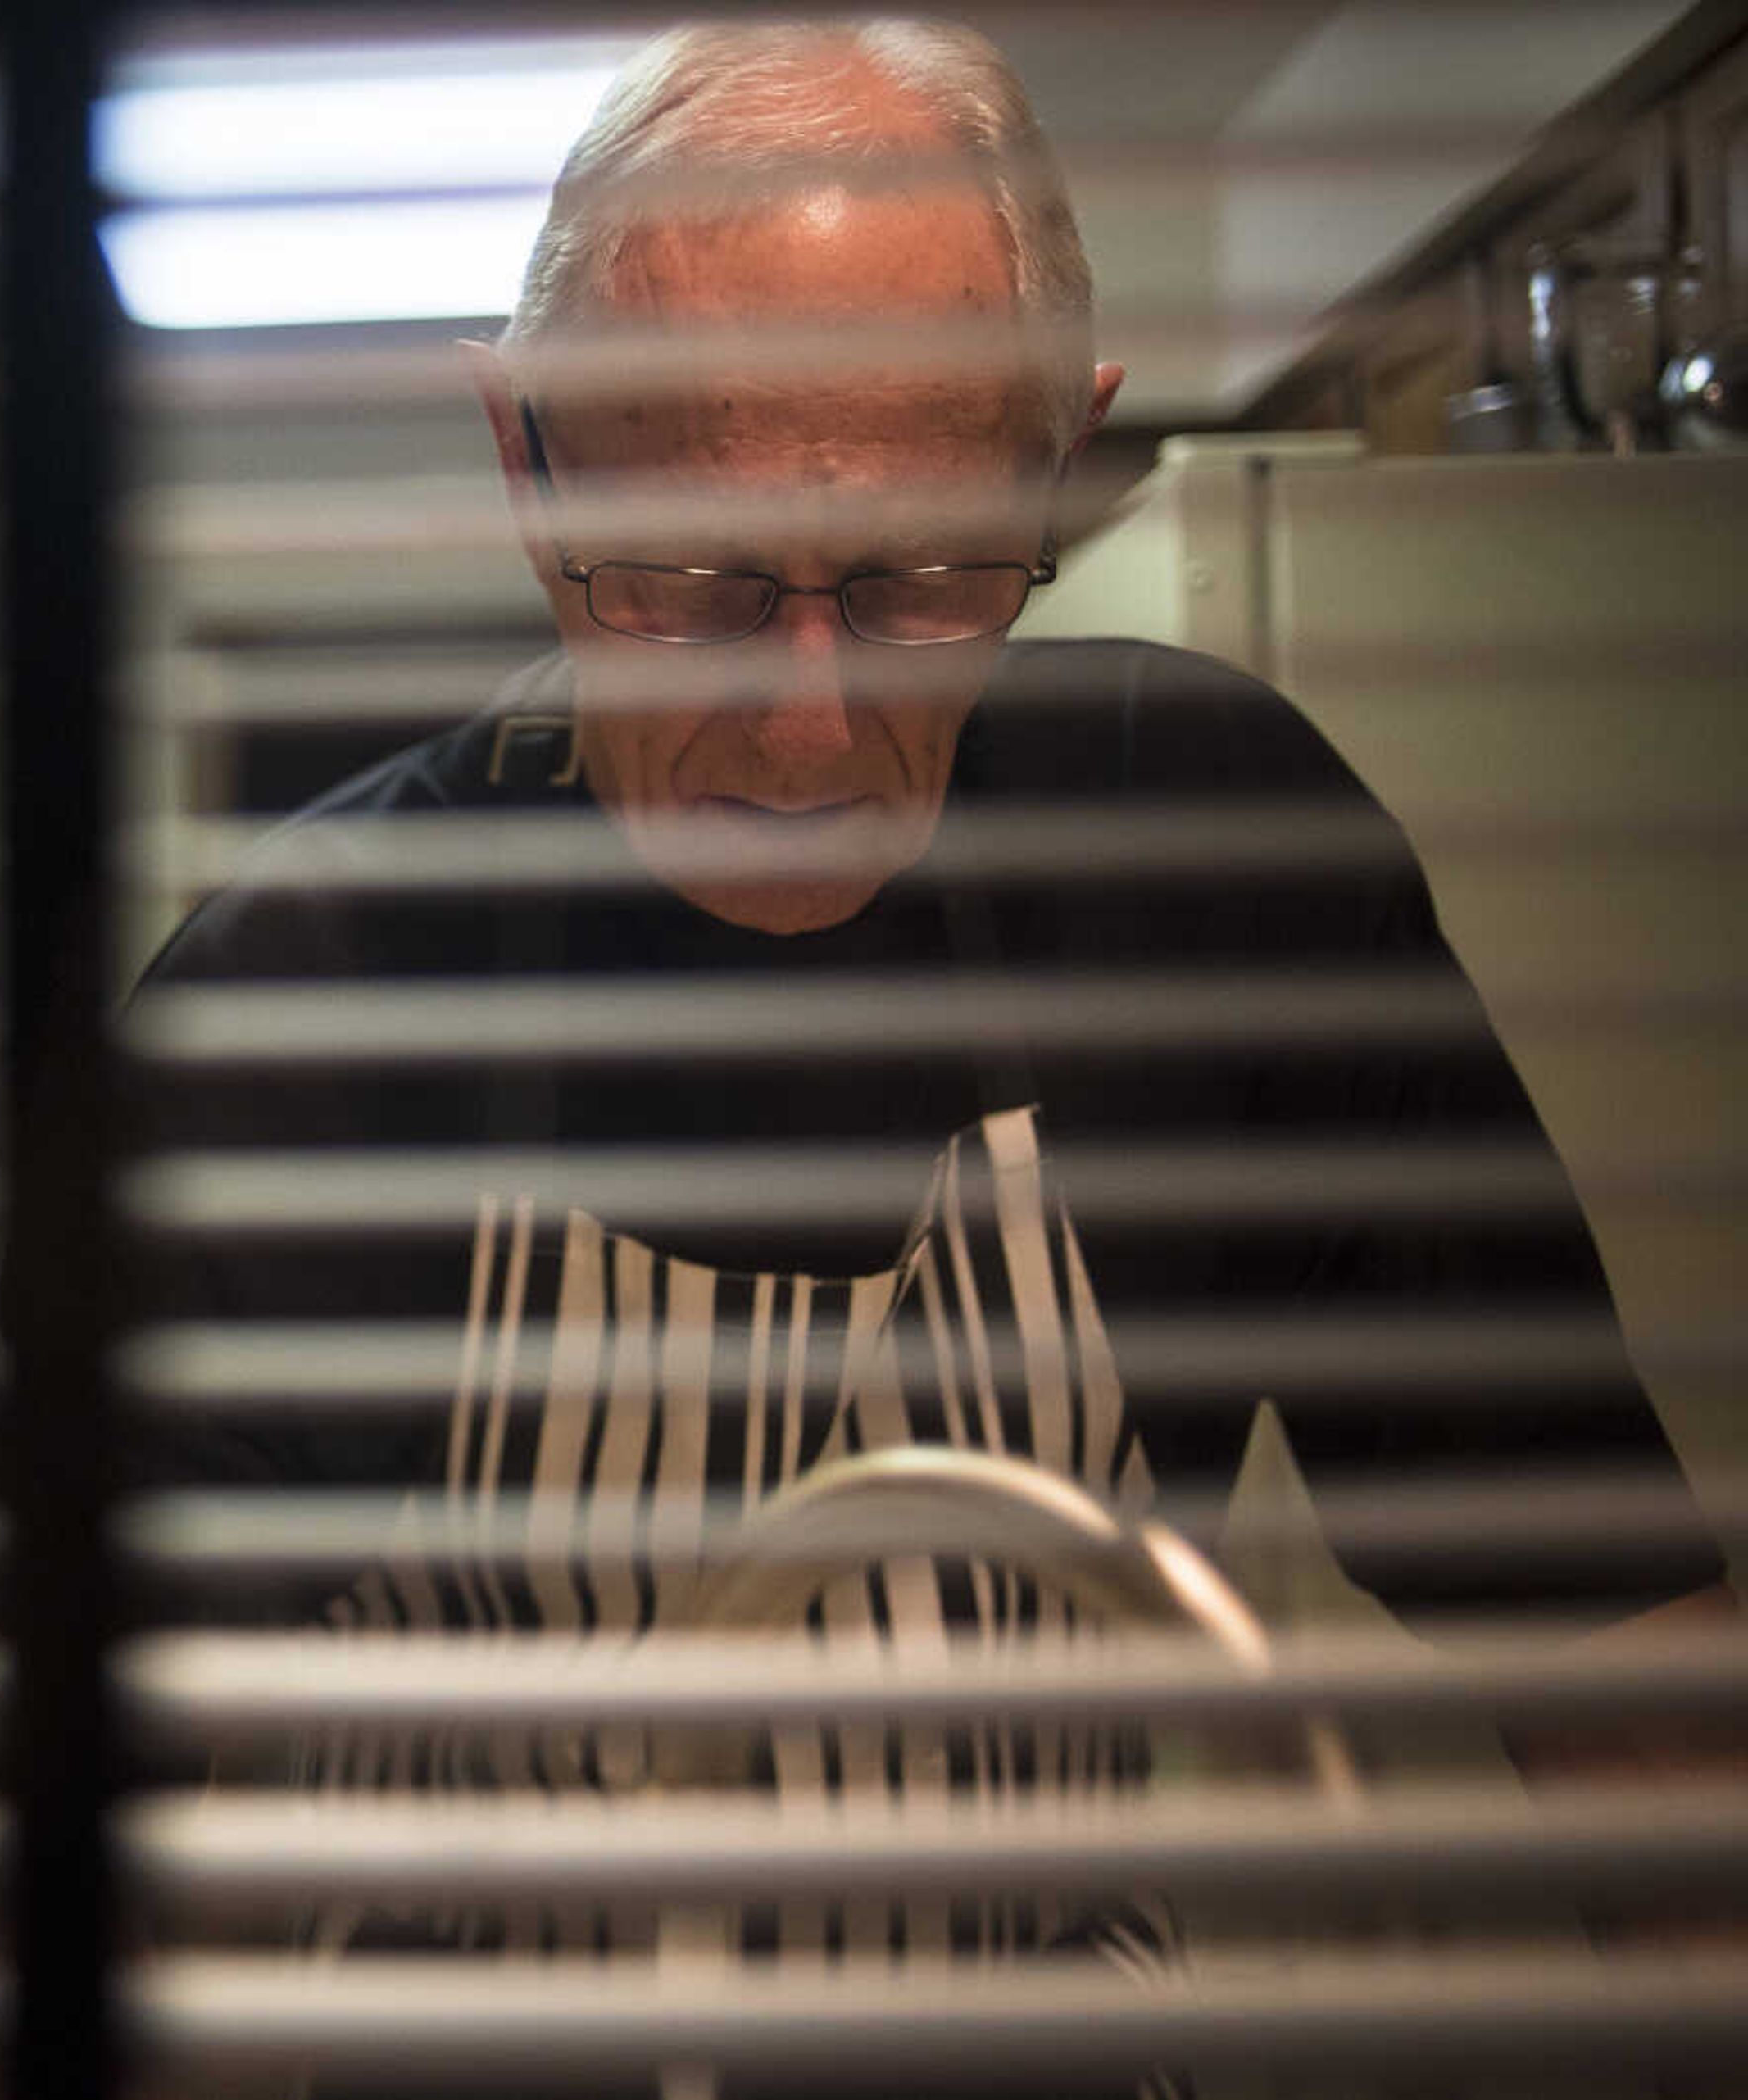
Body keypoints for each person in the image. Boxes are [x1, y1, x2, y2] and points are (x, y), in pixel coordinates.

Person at [132, 10, 1732, 2036]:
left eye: (923, 581)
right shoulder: (307, 1008)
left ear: (1064, 442)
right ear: (527, 464)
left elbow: (1612, 1670)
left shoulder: (1225, 876)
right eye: (696, 583)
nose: (812, 722)